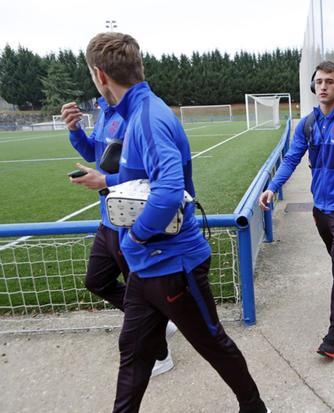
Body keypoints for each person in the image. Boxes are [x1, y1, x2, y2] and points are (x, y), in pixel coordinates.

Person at [81, 32, 268, 413]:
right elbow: (143, 179)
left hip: (174, 266)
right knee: (133, 354)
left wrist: (132, 239)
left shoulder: (148, 117)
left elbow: (168, 191)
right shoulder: (133, 114)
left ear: (100, 75)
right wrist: (108, 182)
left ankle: (253, 406)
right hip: (146, 268)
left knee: (211, 342)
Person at [259, 61, 334, 359]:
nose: (323, 86)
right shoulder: (307, 124)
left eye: (330, 82)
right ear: (313, 86)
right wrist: (272, 187)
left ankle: (333, 336)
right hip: (319, 209)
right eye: (319, 82)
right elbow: (291, 158)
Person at [61, 99, 177, 378]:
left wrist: (106, 181)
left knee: (140, 292)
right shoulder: (106, 113)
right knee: (96, 281)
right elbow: (95, 154)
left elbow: (150, 174)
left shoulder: (137, 115)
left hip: (129, 219)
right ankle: (160, 318)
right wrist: (75, 130)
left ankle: (161, 355)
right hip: (107, 217)